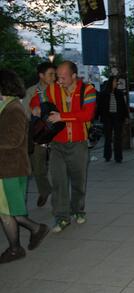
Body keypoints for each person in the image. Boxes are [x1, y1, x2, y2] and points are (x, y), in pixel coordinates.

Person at [30, 60, 97, 233]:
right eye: (58, 77)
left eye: (63, 77)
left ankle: (78, 210)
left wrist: (62, 117)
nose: (59, 80)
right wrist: (36, 108)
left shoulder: (87, 90)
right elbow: (36, 101)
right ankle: (61, 217)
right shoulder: (52, 89)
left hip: (78, 143)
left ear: (74, 75)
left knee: (78, 181)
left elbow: (87, 115)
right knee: (58, 181)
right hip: (57, 144)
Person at [0, 69, 49, 263]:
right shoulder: (7, 106)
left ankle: (32, 233)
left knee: (9, 211)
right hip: (8, 168)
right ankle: (16, 246)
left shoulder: (13, 109)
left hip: (10, 169)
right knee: (7, 211)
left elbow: (13, 139)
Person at [23, 62, 56, 207]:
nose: (53, 77)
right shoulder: (31, 91)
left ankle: (60, 198)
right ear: (41, 75)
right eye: (50, 74)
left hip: (56, 132)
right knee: (38, 167)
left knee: (58, 167)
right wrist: (33, 111)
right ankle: (45, 190)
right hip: (39, 135)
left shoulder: (58, 90)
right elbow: (24, 113)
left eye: (54, 74)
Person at [96, 76, 129, 162]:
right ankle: (107, 156)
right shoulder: (103, 94)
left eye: (117, 82)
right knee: (108, 137)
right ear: (110, 82)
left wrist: (126, 117)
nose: (116, 83)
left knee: (118, 137)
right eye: (115, 81)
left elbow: (123, 106)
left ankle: (118, 157)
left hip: (118, 117)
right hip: (107, 118)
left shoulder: (119, 93)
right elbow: (99, 107)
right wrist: (97, 117)